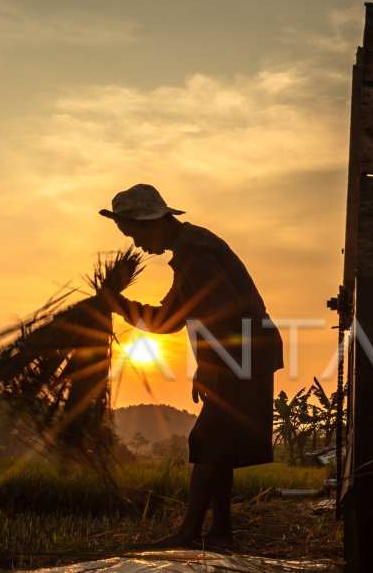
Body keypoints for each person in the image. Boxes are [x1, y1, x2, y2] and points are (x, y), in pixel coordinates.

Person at [99, 183, 283, 549]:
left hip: (243, 352)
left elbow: (224, 308)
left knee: (209, 440)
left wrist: (209, 367)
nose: (136, 243)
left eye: (133, 232)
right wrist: (117, 304)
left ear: (153, 222)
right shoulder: (187, 252)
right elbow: (166, 320)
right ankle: (219, 533)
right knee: (221, 444)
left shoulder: (192, 249)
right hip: (247, 352)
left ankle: (190, 532)